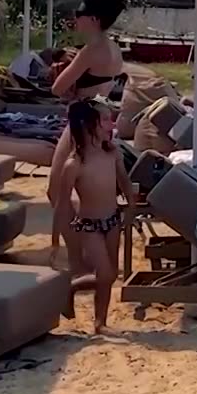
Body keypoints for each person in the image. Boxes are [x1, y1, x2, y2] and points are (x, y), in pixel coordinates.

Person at [47, 0, 127, 263]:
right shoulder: (112, 48)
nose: (75, 21)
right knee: (90, 195)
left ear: (93, 19)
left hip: (83, 121)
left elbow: (58, 88)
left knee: (57, 191)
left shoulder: (90, 51)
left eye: (78, 16)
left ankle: (76, 256)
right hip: (101, 117)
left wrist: (66, 68)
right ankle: (88, 251)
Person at [54, 100, 131, 334]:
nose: (112, 124)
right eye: (106, 120)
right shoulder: (74, 164)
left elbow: (124, 183)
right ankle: (94, 317)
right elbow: (62, 203)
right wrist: (55, 239)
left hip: (113, 220)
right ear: (89, 126)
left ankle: (93, 314)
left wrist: (132, 207)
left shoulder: (112, 153)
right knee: (105, 274)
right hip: (89, 226)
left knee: (109, 276)